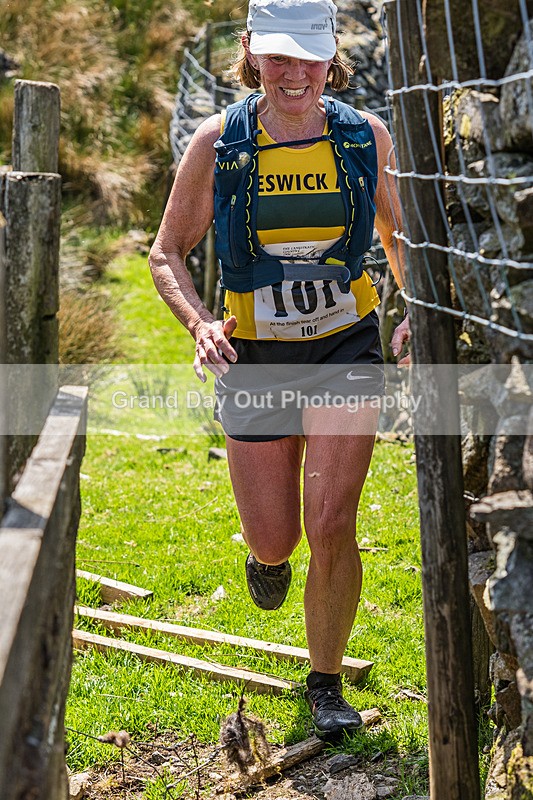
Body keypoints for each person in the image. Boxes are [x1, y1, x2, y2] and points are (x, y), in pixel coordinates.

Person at [149, 0, 410, 740]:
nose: (293, 73)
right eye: (277, 56)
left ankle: (324, 683)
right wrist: (200, 324)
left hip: (343, 346)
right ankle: (268, 561)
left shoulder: (363, 135)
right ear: (250, 54)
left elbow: (398, 235)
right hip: (256, 353)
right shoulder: (220, 141)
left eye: (309, 57)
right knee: (276, 538)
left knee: (331, 521)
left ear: (331, 58)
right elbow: (166, 251)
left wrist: (413, 306)